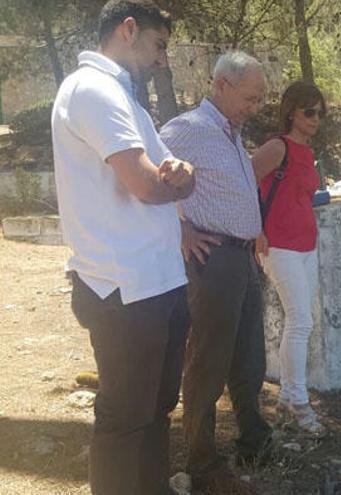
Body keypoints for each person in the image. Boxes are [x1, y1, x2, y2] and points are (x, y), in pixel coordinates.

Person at [52, 1, 194, 493]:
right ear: (128, 29)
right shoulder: (93, 89)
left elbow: (174, 174)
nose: (162, 60)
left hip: (156, 280)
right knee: (125, 421)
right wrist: (175, 180)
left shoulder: (125, 99)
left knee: (154, 413)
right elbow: (149, 185)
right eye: (159, 45)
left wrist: (181, 176)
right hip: (124, 286)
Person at [159, 50, 271, 494]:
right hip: (214, 261)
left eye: (260, 99)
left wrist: (255, 231)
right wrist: (180, 227)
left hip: (242, 258)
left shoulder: (229, 132)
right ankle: (203, 461)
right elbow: (144, 176)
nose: (255, 107)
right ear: (221, 85)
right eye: (250, 98)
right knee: (208, 362)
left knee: (248, 357)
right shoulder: (187, 129)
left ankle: (253, 440)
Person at [251, 81, 326, 435]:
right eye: (309, 111)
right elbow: (243, 183)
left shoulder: (306, 151)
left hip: (305, 244)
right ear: (291, 111)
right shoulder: (277, 147)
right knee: (300, 321)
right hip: (278, 245)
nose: (316, 118)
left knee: (300, 320)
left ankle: (286, 399)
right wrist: (255, 229)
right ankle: (298, 402)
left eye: (320, 112)